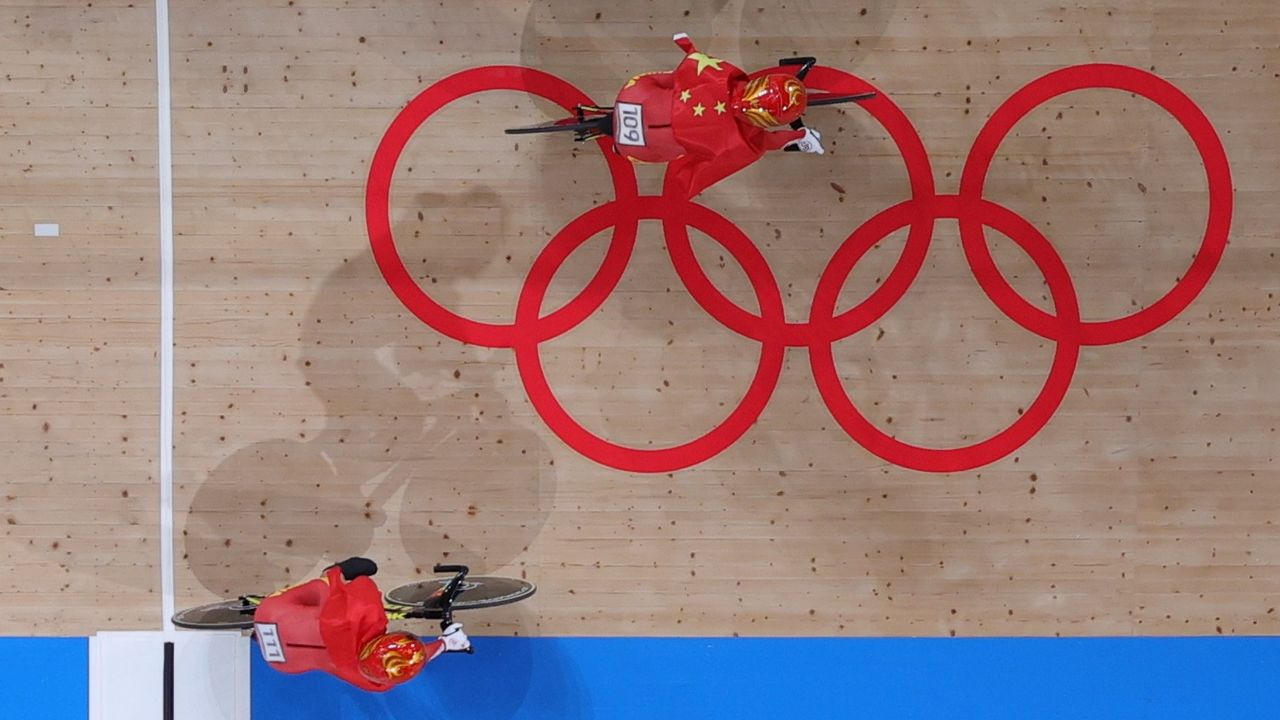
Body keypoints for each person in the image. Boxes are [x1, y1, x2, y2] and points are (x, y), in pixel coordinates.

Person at [610, 33, 826, 198]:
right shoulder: (743, 142)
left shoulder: (721, 80)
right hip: (639, 150)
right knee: (687, 150)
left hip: (633, 95)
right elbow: (771, 141)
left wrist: (687, 45)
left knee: (676, 81)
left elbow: (695, 63)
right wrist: (799, 136)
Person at [251, 557, 470, 691]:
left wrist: (335, 574)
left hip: (269, 612)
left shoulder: (354, 613)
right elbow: (402, 666)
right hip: (281, 662)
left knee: (324, 585)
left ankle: (327, 572)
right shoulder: (367, 675)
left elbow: (342, 589)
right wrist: (444, 644)